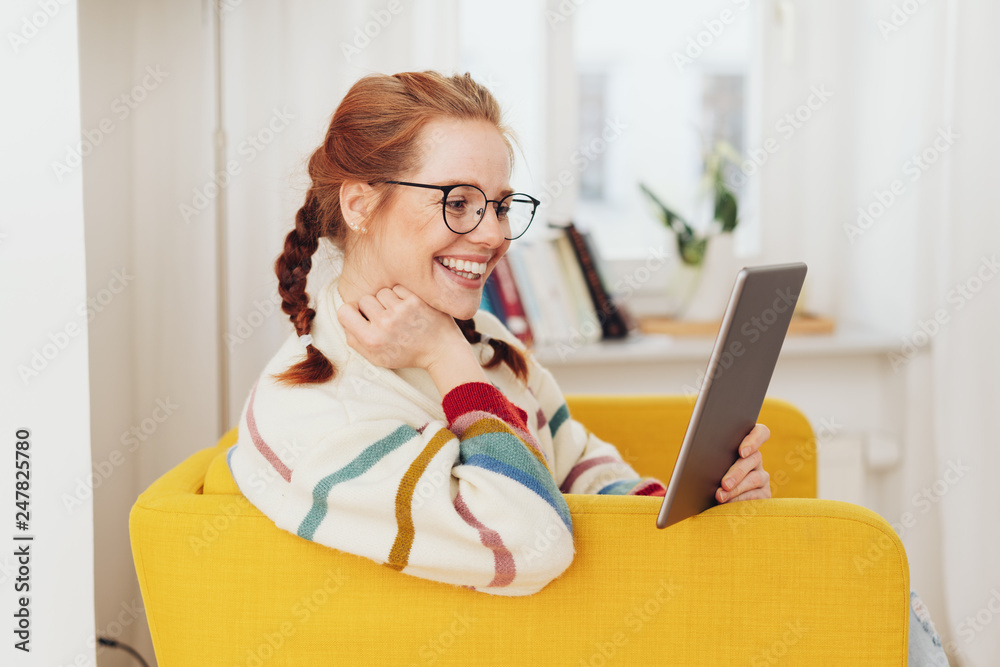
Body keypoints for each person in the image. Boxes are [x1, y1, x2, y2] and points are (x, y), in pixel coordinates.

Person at [226, 70, 948, 664]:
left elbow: (576, 465)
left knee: (867, 590)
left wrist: (691, 499)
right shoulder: (313, 406)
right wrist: (445, 360)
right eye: (460, 203)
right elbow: (529, 539)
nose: (495, 234)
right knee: (858, 594)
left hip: (603, 621)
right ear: (359, 202)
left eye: (504, 206)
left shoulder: (485, 341)